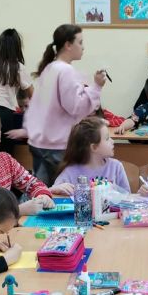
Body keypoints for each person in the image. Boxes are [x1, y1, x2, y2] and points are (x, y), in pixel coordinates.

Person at [23, 24, 106, 185]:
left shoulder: (50, 68)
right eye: (80, 42)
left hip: (39, 142)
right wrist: (96, 87)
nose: (83, 47)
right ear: (68, 45)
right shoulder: (65, 70)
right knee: (61, 191)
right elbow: (76, 107)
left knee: (42, 191)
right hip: (57, 145)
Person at [51, 116, 130, 194]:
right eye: (107, 138)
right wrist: (54, 189)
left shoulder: (116, 167)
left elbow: (127, 196)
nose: (112, 141)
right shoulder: (70, 172)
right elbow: (52, 192)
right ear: (94, 147)